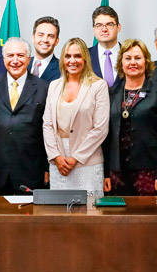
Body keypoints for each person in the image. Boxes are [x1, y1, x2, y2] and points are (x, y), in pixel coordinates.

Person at [102, 39, 157, 196]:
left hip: (148, 172)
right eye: (128, 58)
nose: (132, 62)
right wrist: (105, 172)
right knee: (117, 212)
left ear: (146, 62)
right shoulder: (111, 93)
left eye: (138, 58)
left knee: (147, 211)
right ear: (121, 63)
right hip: (116, 172)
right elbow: (106, 137)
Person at [0, 38, 49, 194]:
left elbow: (48, 130)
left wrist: (47, 167)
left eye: (20, 55)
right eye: (10, 55)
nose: (15, 60)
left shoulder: (44, 87)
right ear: (4, 59)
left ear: (28, 59)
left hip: (31, 170)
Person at [42, 38, 109, 191]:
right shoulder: (54, 86)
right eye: (68, 56)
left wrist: (75, 159)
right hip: (59, 162)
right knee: (59, 206)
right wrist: (56, 157)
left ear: (85, 59)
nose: (72, 61)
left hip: (87, 161)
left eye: (78, 56)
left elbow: (100, 129)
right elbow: (47, 125)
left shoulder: (98, 86)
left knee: (89, 206)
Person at [88, 6, 121, 87]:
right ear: (94, 29)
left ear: (118, 27)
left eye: (109, 24)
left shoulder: (130, 54)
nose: (104, 29)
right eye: (99, 25)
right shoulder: (84, 56)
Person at [28, 16, 61, 82]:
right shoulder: (22, 64)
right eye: (41, 35)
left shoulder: (63, 69)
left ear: (56, 41)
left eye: (50, 36)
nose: (45, 40)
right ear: (33, 38)